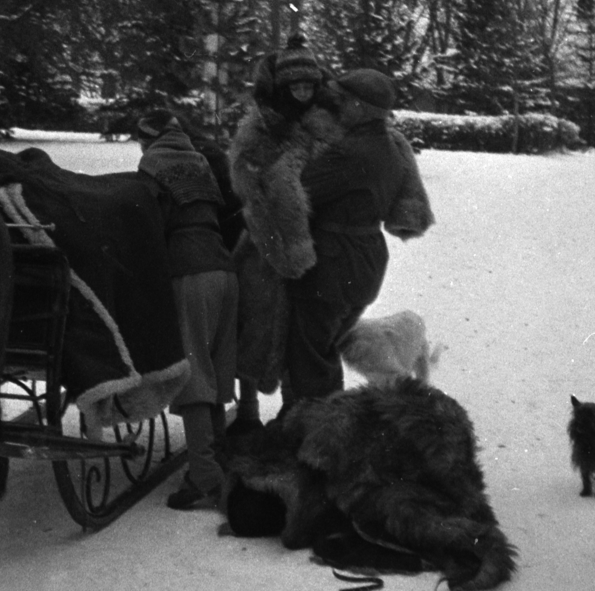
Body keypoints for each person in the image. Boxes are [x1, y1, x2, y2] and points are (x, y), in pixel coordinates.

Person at [281, 68, 431, 405]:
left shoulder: (349, 152)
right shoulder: (392, 148)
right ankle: (318, 423)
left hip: (334, 264)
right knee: (324, 349)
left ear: (361, 107)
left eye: (345, 101)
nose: (339, 107)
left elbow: (298, 192)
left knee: (311, 357)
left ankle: (317, 430)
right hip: (365, 261)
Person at [227, 36, 343, 432]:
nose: (303, 93)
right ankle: (246, 411)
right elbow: (244, 177)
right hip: (263, 246)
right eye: (295, 86)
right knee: (253, 327)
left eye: (309, 86)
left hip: (312, 244)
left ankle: (295, 410)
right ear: (281, 87)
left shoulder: (327, 125)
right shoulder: (259, 126)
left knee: (301, 334)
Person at [136, 109, 239, 510]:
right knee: (213, 368)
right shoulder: (199, 159)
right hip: (224, 270)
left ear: (147, 139)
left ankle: (206, 477)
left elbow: (152, 222)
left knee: (194, 375)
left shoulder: (153, 163)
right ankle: (215, 463)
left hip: (189, 271)